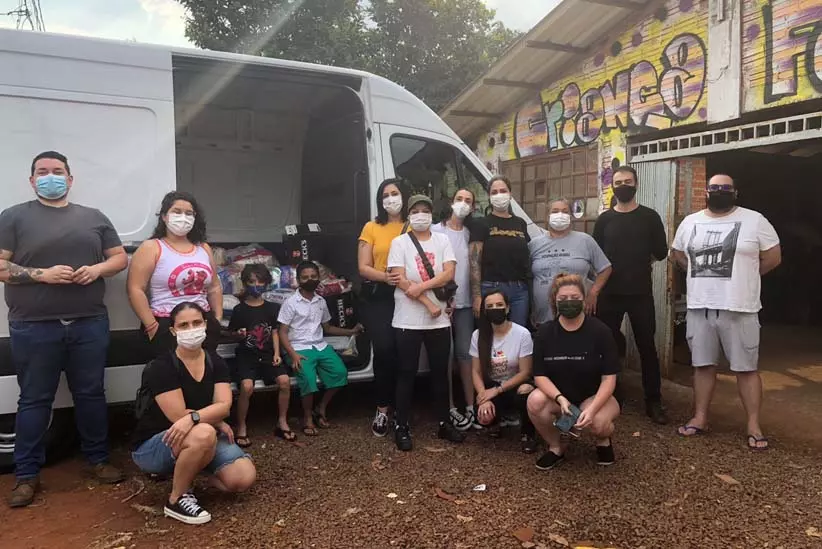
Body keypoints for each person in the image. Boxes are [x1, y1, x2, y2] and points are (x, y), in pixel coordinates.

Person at [1, 151, 128, 508]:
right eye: (42, 171)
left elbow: (119, 257)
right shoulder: (14, 216)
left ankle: (98, 460)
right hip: (33, 326)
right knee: (34, 400)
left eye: (57, 171)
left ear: (70, 179)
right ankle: (26, 475)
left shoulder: (94, 217)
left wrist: (97, 270)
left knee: (91, 394)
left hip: (89, 322)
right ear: (31, 180)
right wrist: (42, 275)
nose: (50, 176)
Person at [671, 174, 781, 451]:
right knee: (702, 366)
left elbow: (773, 256)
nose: (720, 191)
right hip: (700, 306)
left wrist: (746, 277)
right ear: (706, 192)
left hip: (739, 307)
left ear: (735, 192)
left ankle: (753, 425)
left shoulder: (755, 220)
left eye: (725, 188)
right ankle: (700, 417)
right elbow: (677, 254)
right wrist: (697, 272)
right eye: (715, 188)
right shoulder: (691, 221)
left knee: (746, 369)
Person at [131, 302, 256, 525]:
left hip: (197, 434)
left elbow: (224, 405)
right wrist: (213, 420)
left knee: (242, 478)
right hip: (154, 444)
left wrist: (197, 418)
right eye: (184, 325)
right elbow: (177, 415)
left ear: (205, 325)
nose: (191, 329)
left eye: (197, 323)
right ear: (173, 331)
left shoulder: (214, 361)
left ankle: (190, 469)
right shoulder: (162, 366)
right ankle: (176, 499)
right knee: (204, 433)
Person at [388, 194, 466, 451]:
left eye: (425, 210)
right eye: (415, 211)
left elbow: (449, 273)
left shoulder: (442, 240)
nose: (420, 215)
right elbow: (399, 278)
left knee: (440, 374)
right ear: (409, 215)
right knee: (406, 373)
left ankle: (444, 422)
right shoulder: (399, 242)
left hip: (439, 322)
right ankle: (401, 426)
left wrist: (422, 287)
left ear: (431, 214)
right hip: (407, 319)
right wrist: (429, 303)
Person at [593, 166, 669, 424]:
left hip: (640, 293)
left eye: (627, 181)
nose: (623, 186)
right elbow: (596, 254)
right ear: (612, 187)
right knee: (607, 346)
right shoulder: (604, 220)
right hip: (609, 293)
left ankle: (654, 401)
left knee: (647, 347)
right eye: (618, 182)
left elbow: (660, 252)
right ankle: (611, 394)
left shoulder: (650, 217)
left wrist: (637, 263)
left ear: (636, 184)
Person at [527, 274, 621, 471]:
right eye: (563, 299)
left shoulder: (601, 331)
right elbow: (540, 375)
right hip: (560, 397)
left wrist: (592, 409)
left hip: (593, 395)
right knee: (535, 401)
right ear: (554, 301)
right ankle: (556, 446)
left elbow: (609, 378)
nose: (569, 302)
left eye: (575, 298)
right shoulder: (545, 333)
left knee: (599, 423)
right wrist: (560, 398)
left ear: (584, 299)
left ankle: (603, 440)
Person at [127, 191, 223, 354]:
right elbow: (135, 289)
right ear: (164, 216)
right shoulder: (151, 247)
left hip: (202, 323)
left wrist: (217, 320)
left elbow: (214, 287)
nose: (183, 217)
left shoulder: (203, 248)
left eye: (189, 213)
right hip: (166, 324)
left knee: (205, 368)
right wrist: (152, 327)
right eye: (177, 212)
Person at [278, 261, 363, 436]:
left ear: (319, 278)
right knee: (308, 380)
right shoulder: (290, 303)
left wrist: (351, 331)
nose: (310, 280)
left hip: (320, 346)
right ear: (298, 280)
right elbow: (282, 332)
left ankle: (321, 407)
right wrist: (293, 355)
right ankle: (307, 418)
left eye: (313, 276)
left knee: (340, 373)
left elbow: (327, 327)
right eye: (305, 277)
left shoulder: (321, 301)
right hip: (298, 348)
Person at [358, 178, 408, 437]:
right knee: (384, 350)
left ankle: (401, 407)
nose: (390, 199)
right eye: (385, 195)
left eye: (395, 193)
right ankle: (382, 408)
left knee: (404, 352)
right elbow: (363, 267)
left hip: (410, 294)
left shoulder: (413, 224)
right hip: (380, 296)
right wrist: (385, 277)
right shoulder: (372, 227)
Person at [227, 264, 290, 447]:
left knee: (285, 381)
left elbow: (275, 332)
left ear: (267, 283)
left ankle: (282, 421)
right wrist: (238, 335)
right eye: (252, 281)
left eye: (261, 281)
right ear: (245, 283)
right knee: (246, 387)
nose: (257, 285)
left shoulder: (272, 308)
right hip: (247, 356)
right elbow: (232, 333)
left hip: (269, 354)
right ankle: (242, 425)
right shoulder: (239, 310)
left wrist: (277, 353)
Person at [432, 188, 479, 431]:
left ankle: (471, 407)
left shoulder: (471, 234)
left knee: (465, 354)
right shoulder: (435, 230)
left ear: (473, 207)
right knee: (445, 355)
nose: (463, 203)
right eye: (459, 199)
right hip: (441, 303)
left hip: (465, 303)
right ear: (451, 202)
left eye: (468, 201)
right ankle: (449, 407)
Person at [471, 290, 537, 453]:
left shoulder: (522, 334)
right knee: (483, 416)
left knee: (526, 391)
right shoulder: (478, 335)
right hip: (491, 385)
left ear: (507, 308)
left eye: (499, 305)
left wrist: (498, 390)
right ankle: (496, 423)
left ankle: (528, 433)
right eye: (490, 306)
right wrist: (483, 397)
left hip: (515, 384)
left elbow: (525, 372)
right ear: (485, 311)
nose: (495, 309)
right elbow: (476, 371)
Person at [529, 198, 612, 326]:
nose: (560, 215)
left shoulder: (585, 240)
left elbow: (605, 268)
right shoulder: (534, 244)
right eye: (555, 211)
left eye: (565, 211)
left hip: (578, 314)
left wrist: (593, 292)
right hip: (543, 316)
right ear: (547, 216)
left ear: (571, 217)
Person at [469, 176, 531, 327]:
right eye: (494, 192)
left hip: (519, 291)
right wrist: (477, 296)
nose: (499, 195)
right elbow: (474, 262)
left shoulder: (520, 223)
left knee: (518, 333)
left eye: (503, 191)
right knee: (490, 333)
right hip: (491, 289)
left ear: (510, 194)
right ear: (489, 197)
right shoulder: (481, 224)